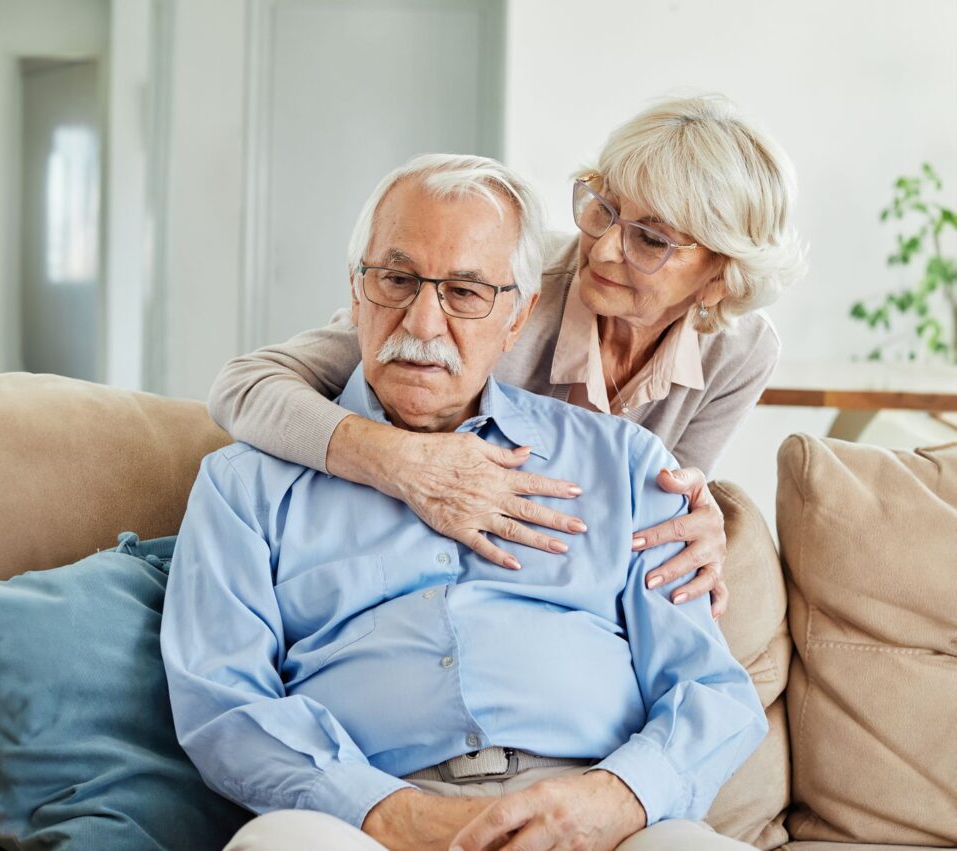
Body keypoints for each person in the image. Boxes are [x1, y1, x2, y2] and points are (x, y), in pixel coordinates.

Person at [161, 153, 767, 851]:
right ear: (355, 292)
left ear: (517, 318)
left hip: (594, 816)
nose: (422, 319)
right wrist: (384, 809)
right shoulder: (244, 486)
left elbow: (713, 691)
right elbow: (221, 703)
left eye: (466, 292)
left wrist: (618, 795)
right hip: (360, 818)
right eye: (395, 279)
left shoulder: (628, 464)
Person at [207, 94, 805, 618]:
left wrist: (697, 525)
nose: (602, 249)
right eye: (603, 207)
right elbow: (246, 385)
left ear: (720, 278)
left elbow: (655, 509)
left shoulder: (741, 353)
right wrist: (406, 462)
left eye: (650, 239)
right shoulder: (494, 288)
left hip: (552, 583)